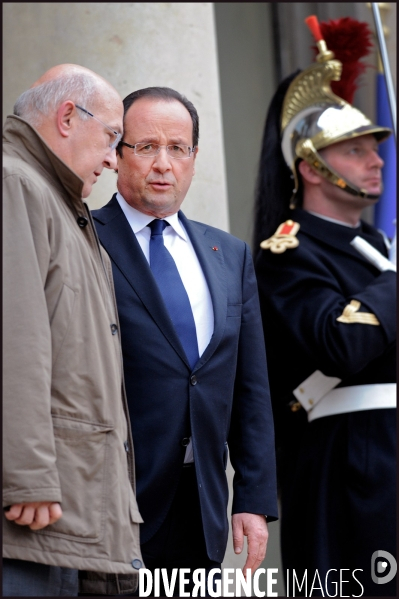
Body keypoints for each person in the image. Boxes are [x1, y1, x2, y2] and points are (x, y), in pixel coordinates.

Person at [92, 86, 278, 596]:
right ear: (114, 155)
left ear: (194, 157)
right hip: (115, 504)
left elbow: (250, 385)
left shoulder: (229, 253)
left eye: (178, 148)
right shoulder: (84, 237)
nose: (163, 164)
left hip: (202, 506)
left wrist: (254, 498)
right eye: (146, 146)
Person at [253, 19, 396, 597]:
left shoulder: (380, 250)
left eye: (375, 148)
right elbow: (341, 343)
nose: (377, 161)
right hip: (350, 463)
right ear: (311, 168)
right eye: (355, 150)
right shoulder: (288, 252)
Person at [3, 64, 143, 597]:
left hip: (72, 514)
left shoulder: (59, 203)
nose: (114, 158)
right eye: (112, 138)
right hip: (36, 514)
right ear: (67, 117)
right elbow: (14, 339)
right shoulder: (15, 183)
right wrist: (28, 476)